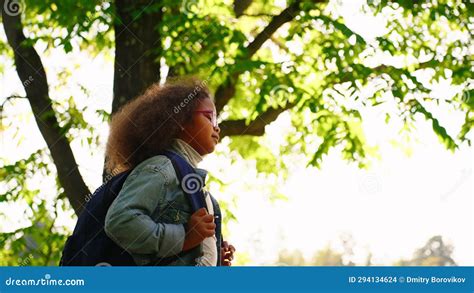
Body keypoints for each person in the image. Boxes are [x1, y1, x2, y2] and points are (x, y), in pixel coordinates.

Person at [103, 78, 235, 266]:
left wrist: (214, 256)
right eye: (209, 117)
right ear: (181, 120)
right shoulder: (161, 169)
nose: (217, 126)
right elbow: (120, 221)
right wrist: (185, 236)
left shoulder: (198, 190)